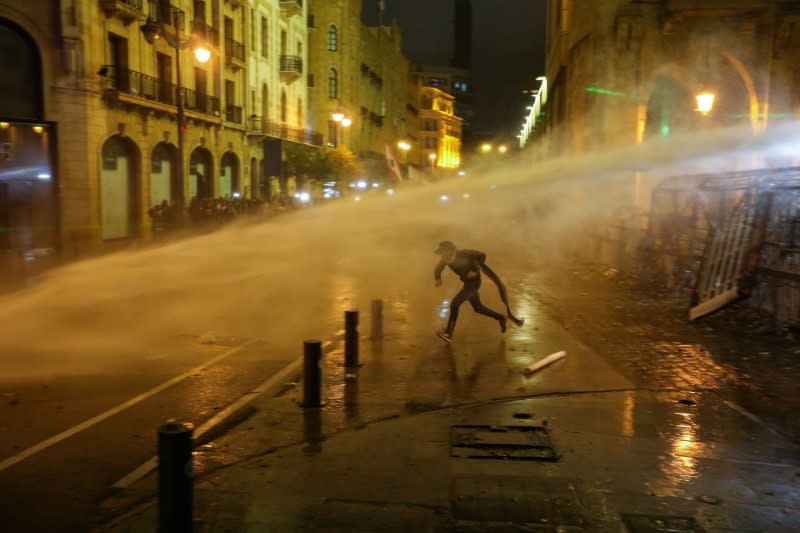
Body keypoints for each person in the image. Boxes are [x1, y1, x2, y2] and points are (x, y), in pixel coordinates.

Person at [434, 241, 524, 343]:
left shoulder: (464, 253)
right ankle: (501, 317)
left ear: (450, 251)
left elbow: (482, 255)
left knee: (455, 304)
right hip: (467, 284)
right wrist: (438, 278)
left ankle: (449, 333)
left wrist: (474, 270)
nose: (442, 255)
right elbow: (438, 269)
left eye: (443, 252)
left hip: (474, 284)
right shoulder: (445, 260)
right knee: (478, 308)